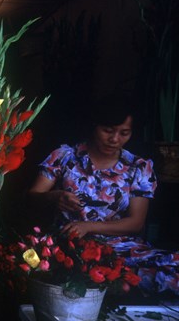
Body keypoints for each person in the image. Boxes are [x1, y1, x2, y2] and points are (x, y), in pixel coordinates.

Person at [28, 92, 178, 296]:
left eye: (124, 133)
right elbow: (31, 198)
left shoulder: (138, 167)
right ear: (94, 126)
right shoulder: (65, 156)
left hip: (120, 248)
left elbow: (136, 223)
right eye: (108, 130)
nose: (114, 139)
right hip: (71, 248)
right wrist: (54, 197)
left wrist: (89, 226)